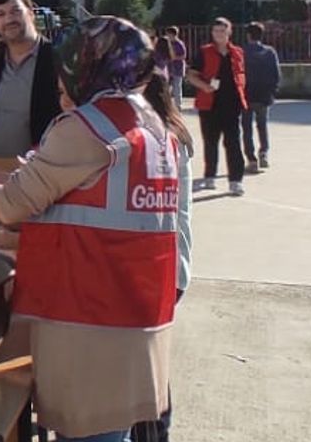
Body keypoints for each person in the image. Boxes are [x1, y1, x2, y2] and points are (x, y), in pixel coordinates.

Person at [0, 16, 181, 442]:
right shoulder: (153, 130)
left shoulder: (89, 126)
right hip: (133, 316)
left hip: (88, 321)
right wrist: (24, 241)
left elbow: (11, 203)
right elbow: (101, 222)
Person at [128, 73, 195, 442]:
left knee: (146, 368)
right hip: (171, 267)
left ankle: (154, 434)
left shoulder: (159, 140)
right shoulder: (170, 133)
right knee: (150, 361)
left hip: (161, 267)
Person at [0, 0, 63, 158]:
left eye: (15, 11)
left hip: (39, 172)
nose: (8, 19)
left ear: (30, 13)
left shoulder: (56, 61)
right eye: (0, 14)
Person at [186, 18, 247, 196]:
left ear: (229, 32)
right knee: (210, 142)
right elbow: (191, 75)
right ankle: (209, 176)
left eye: (222, 31)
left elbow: (241, 75)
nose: (218, 35)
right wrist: (204, 86)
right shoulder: (204, 52)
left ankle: (236, 180)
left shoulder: (237, 52)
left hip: (232, 105)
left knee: (233, 143)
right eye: (215, 31)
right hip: (209, 104)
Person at [241, 22, 280, 174]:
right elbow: (276, 74)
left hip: (246, 94)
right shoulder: (270, 52)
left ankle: (251, 159)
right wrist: (272, 91)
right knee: (262, 125)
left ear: (248, 35)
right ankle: (263, 152)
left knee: (246, 128)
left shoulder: (242, 52)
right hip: (264, 95)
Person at [164, 27, 187, 108]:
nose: (167, 36)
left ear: (173, 35)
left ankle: (178, 105)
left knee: (177, 87)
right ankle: (167, 105)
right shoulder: (167, 44)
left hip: (177, 68)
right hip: (168, 68)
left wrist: (174, 58)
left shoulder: (179, 44)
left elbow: (184, 55)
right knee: (166, 87)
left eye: (168, 34)